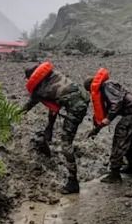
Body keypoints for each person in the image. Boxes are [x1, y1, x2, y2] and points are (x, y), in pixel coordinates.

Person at [23, 61, 89, 194]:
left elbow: (27, 107)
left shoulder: (38, 90)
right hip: (83, 99)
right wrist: (49, 128)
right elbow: (53, 106)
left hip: (75, 108)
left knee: (65, 144)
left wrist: (13, 115)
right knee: (64, 138)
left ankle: (73, 182)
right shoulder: (53, 75)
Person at [84, 69, 132, 183]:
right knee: (128, 139)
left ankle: (114, 174)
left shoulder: (106, 86)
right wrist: (97, 128)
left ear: (92, 86)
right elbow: (110, 108)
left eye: (90, 91)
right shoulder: (108, 87)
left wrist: (108, 118)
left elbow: (117, 103)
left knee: (120, 138)